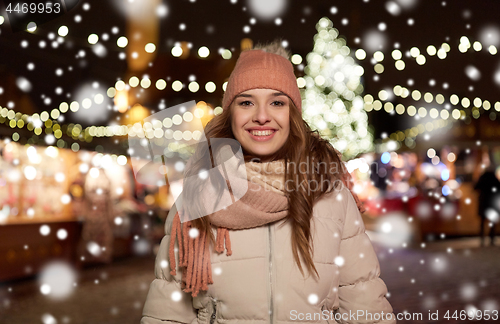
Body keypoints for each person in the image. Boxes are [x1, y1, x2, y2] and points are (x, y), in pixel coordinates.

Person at [141, 41, 395, 324]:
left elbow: (364, 303)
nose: (262, 116)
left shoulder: (331, 195)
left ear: (293, 115)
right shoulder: (197, 198)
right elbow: (167, 315)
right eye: (247, 102)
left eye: (277, 102)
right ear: (231, 114)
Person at [474, 151, 500, 247]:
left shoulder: (482, 177)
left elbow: (475, 187)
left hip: (483, 201)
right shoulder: (494, 178)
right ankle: (491, 239)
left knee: (482, 222)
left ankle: (482, 238)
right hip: (491, 203)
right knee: (492, 222)